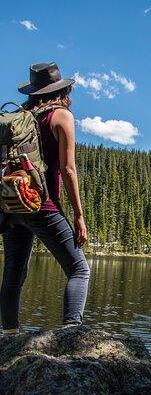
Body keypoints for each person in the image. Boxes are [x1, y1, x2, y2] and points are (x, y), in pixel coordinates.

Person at [0, 62, 90, 335]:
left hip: (13, 202)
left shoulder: (21, 116)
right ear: (61, 90)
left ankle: (10, 336)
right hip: (41, 203)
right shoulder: (60, 116)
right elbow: (68, 169)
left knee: (14, 271)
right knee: (79, 269)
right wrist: (78, 215)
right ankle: (71, 334)